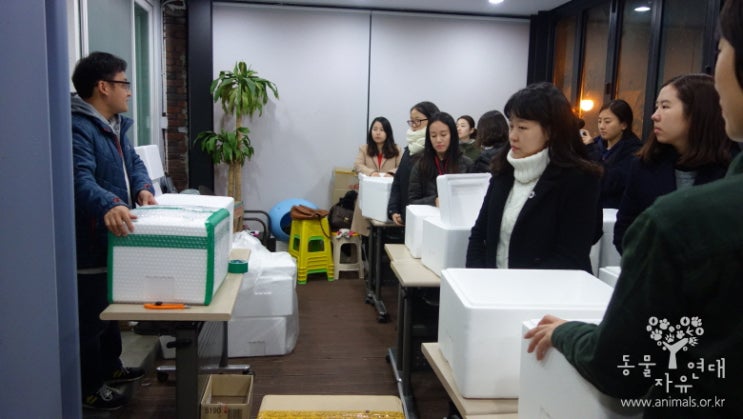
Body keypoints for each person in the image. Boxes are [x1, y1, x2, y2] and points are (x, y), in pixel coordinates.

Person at [524, 3, 743, 416]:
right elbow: (625, 228)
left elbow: (616, 364)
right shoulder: (648, 168)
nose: (654, 115)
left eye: (721, 50)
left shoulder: (679, 220)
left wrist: (570, 334)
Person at [72, 52, 157, 410]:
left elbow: (133, 163)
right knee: (91, 316)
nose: (129, 92)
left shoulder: (116, 124)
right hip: (90, 236)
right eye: (124, 83)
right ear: (103, 87)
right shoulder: (78, 127)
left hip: (115, 234)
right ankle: (90, 387)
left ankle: (112, 366)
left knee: (109, 306)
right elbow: (78, 178)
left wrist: (143, 188)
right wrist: (109, 203)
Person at [466, 82, 602, 272]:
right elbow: (479, 234)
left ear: (551, 130)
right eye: (511, 126)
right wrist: (479, 278)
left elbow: (570, 258)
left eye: (522, 127)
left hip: (548, 289)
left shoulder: (578, 179)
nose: (513, 136)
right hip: (493, 286)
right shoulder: (504, 170)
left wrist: (515, 286)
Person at [613, 74, 735, 254]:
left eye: (665, 106)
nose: (655, 116)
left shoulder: (732, 171)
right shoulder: (644, 166)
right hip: (653, 269)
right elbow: (625, 233)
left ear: (698, 112)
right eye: (656, 107)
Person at [582, 99, 643, 208]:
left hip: (613, 210)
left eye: (607, 122)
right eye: (599, 121)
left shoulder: (634, 151)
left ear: (623, 125)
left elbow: (610, 183)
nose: (601, 126)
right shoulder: (595, 144)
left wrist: (591, 151)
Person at [387, 101, 439, 225]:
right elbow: (398, 181)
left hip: (428, 219)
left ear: (432, 120)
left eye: (418, 120)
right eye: (411, 121)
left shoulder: (436, 151)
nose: (414, 125)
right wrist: (394, 210)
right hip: (407, 216)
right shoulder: (409, 149)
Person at [408, 112, 474, 206]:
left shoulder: (467, 164)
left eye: (443, 135)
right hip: (430, 214)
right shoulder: (420, 165)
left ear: (453, 135)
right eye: (433, 136)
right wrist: (433, 201)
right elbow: (412, 201)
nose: (438, 140)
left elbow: (473, 198)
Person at [351, 116, 401, 236]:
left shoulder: (396, 149)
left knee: (384, 233)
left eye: (382, 130)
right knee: (366, 234)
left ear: (388, 133)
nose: (377, 133)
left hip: (388, 196)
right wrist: (371, 173)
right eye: (375, 129)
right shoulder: (364, 149)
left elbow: (402, 168)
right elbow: (357, 165)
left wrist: (391, 173)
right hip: (368, 196)